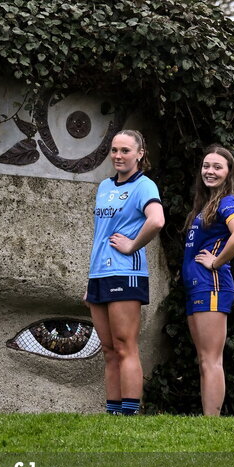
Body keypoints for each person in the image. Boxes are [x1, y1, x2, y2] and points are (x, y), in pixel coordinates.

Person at [85, 129, 165, 415]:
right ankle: (114, 413)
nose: (118, 156)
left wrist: (132, 245)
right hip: (99, 275)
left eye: (125, 151)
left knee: (124, 345)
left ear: (140, 154)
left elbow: (156, 221)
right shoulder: (104, 186)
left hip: (124, 274)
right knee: (107, 349)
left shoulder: (145, 186)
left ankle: (130, 414)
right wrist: (90, 280)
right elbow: (100, 235)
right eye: (114, 150)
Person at [182, 145, 234, 416]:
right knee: (204, 360)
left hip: (213, 285)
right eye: (206, 166)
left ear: (228, 172)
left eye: (217, 167)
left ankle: (212, 423)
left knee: (211, 360)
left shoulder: (227, 201)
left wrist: (217, 260)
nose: (210, 171)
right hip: (196, 286)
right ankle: (208, 419)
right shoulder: (206, 204)